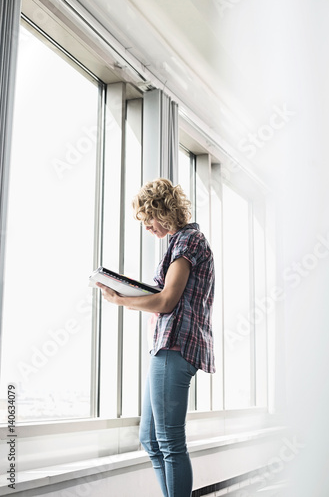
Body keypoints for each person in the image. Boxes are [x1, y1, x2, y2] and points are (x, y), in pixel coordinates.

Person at [96, 178, 215, 497]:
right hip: (167, 347)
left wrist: (121, 300)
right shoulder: (181, 242)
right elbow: (167, 297)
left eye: (147, 218)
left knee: (170, 442)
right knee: (151, 438)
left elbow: (166, 301)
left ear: (162, 211)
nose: (146, 227)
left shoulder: (188, 240)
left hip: (175, 348)